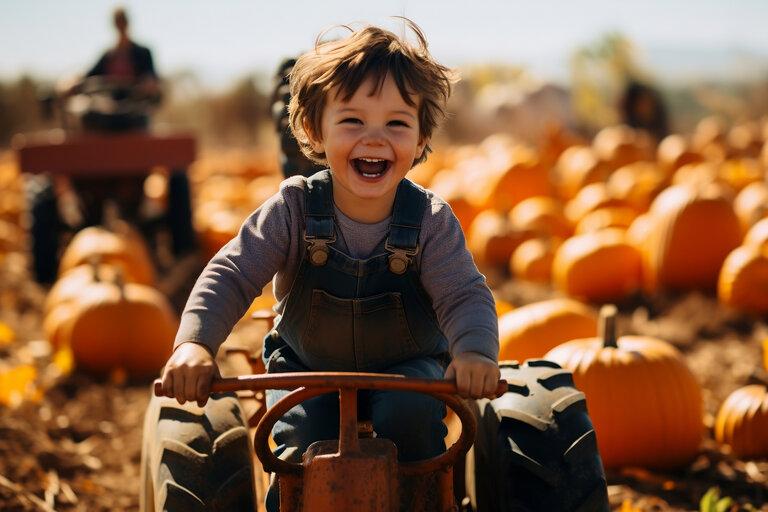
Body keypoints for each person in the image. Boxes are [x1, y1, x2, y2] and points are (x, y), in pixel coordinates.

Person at [158, 18, 500, 510]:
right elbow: (232, 273)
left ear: (423, 138)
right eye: (353, 121)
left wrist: (473, 353)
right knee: (303, 447)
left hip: (407, 370)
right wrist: (195, 344)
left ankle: (421, 497)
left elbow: (463, 293)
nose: (375, 138)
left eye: (397, 123)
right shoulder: (293, 209)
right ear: (314, 130)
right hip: (307, 369)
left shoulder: (429, 220)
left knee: (411, 425)